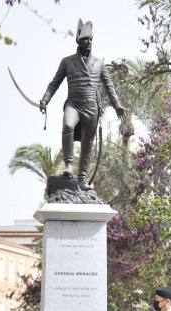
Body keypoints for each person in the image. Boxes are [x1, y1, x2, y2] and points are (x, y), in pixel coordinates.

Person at [39, 19, 125, 191]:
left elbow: (109, 85)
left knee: (87, 143)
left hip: (91, 108)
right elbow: (54, 83)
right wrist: (45, 99)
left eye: (90, 39)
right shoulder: (67, 61)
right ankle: (68, 165)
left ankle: (82, 180)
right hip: (73, 104)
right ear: (78, 41)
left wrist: (117, 105)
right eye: (85, 39)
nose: (89, 42)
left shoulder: (99, 63)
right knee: (67, 126)